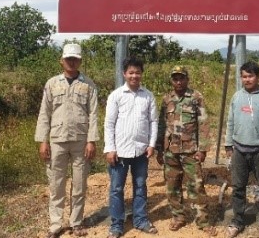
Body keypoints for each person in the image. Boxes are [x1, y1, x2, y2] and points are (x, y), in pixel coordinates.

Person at [34, 43, 99, 238]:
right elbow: (44, 113)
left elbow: (94, 114)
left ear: (80, 61)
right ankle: (55, 225)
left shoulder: (88, 85)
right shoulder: (52, 84)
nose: (72, 62)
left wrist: (91, 141)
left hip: (80, 140)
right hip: (57, 140)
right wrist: (42, 141)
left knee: (79, 184)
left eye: (75, 59)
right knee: (56, 184)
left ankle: (76, 223)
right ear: (61, 60)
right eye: (68, 58)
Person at [156, 66, 218, 236]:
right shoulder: (166, 99)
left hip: (191, 150)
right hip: (170, 151)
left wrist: (203, 149)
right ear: (172, 80)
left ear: (187, 79)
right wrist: (159, 148)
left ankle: (203, 221)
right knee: (172, 186)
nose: (178, 81)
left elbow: (203, 123)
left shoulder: (196, 97)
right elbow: (162, 125)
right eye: (175, 78)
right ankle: (178, 217)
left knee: (196, 186)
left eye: (181, 78)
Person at [224, 61, 259, 238]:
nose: (247, 79)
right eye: (244, 76)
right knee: (238, 187)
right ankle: (237, 222)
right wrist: (228, 144)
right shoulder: (236, 97)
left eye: (250, 76)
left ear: (257, 77)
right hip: (239, 150)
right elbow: (231, 122)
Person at [104, 56, 159, 238]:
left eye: (137, 72)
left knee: (140, 186)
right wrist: (110, 148)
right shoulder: (116, 96)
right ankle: (117, 224)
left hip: (141, 151)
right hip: (119, 151)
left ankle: (140, 220)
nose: (134, 76)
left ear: (142, 74)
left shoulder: (148, 96)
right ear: (124, 74)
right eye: (131, 72)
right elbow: (109, 124)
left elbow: (153, 121)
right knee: (117, 188)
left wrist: (151, 144)